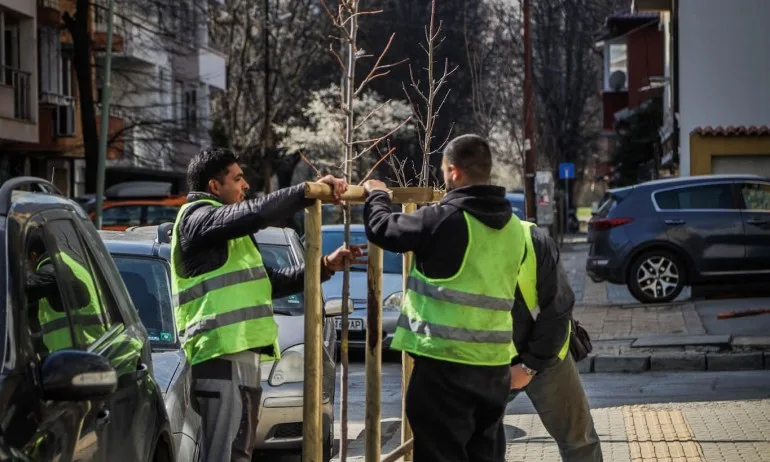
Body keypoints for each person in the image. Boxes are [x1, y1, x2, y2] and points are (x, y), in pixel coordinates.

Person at [170, 148, 364, 462]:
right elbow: (256, 214)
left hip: (239, 359)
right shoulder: (198, 219)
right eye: (237, 178)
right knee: (223, 455)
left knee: (237, 453)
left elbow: (270, 281)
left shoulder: (225, 233)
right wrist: (305, 192)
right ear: (213, 187)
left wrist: (325, 265)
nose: (245, 185)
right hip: (220, 356)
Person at [363, 134, 526, 462]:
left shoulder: (444, 220)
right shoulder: (513, 228)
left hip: (445, 370)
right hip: (494, 369)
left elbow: (382, 228)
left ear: (453, 172)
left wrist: (376, 195)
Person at [496, 220, 602, 461]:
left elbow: (557, 309)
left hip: (543, 356)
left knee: (578, 440)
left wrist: (529, 366)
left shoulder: (529, 237)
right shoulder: (454, 236)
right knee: (476, 444)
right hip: (496, 361)